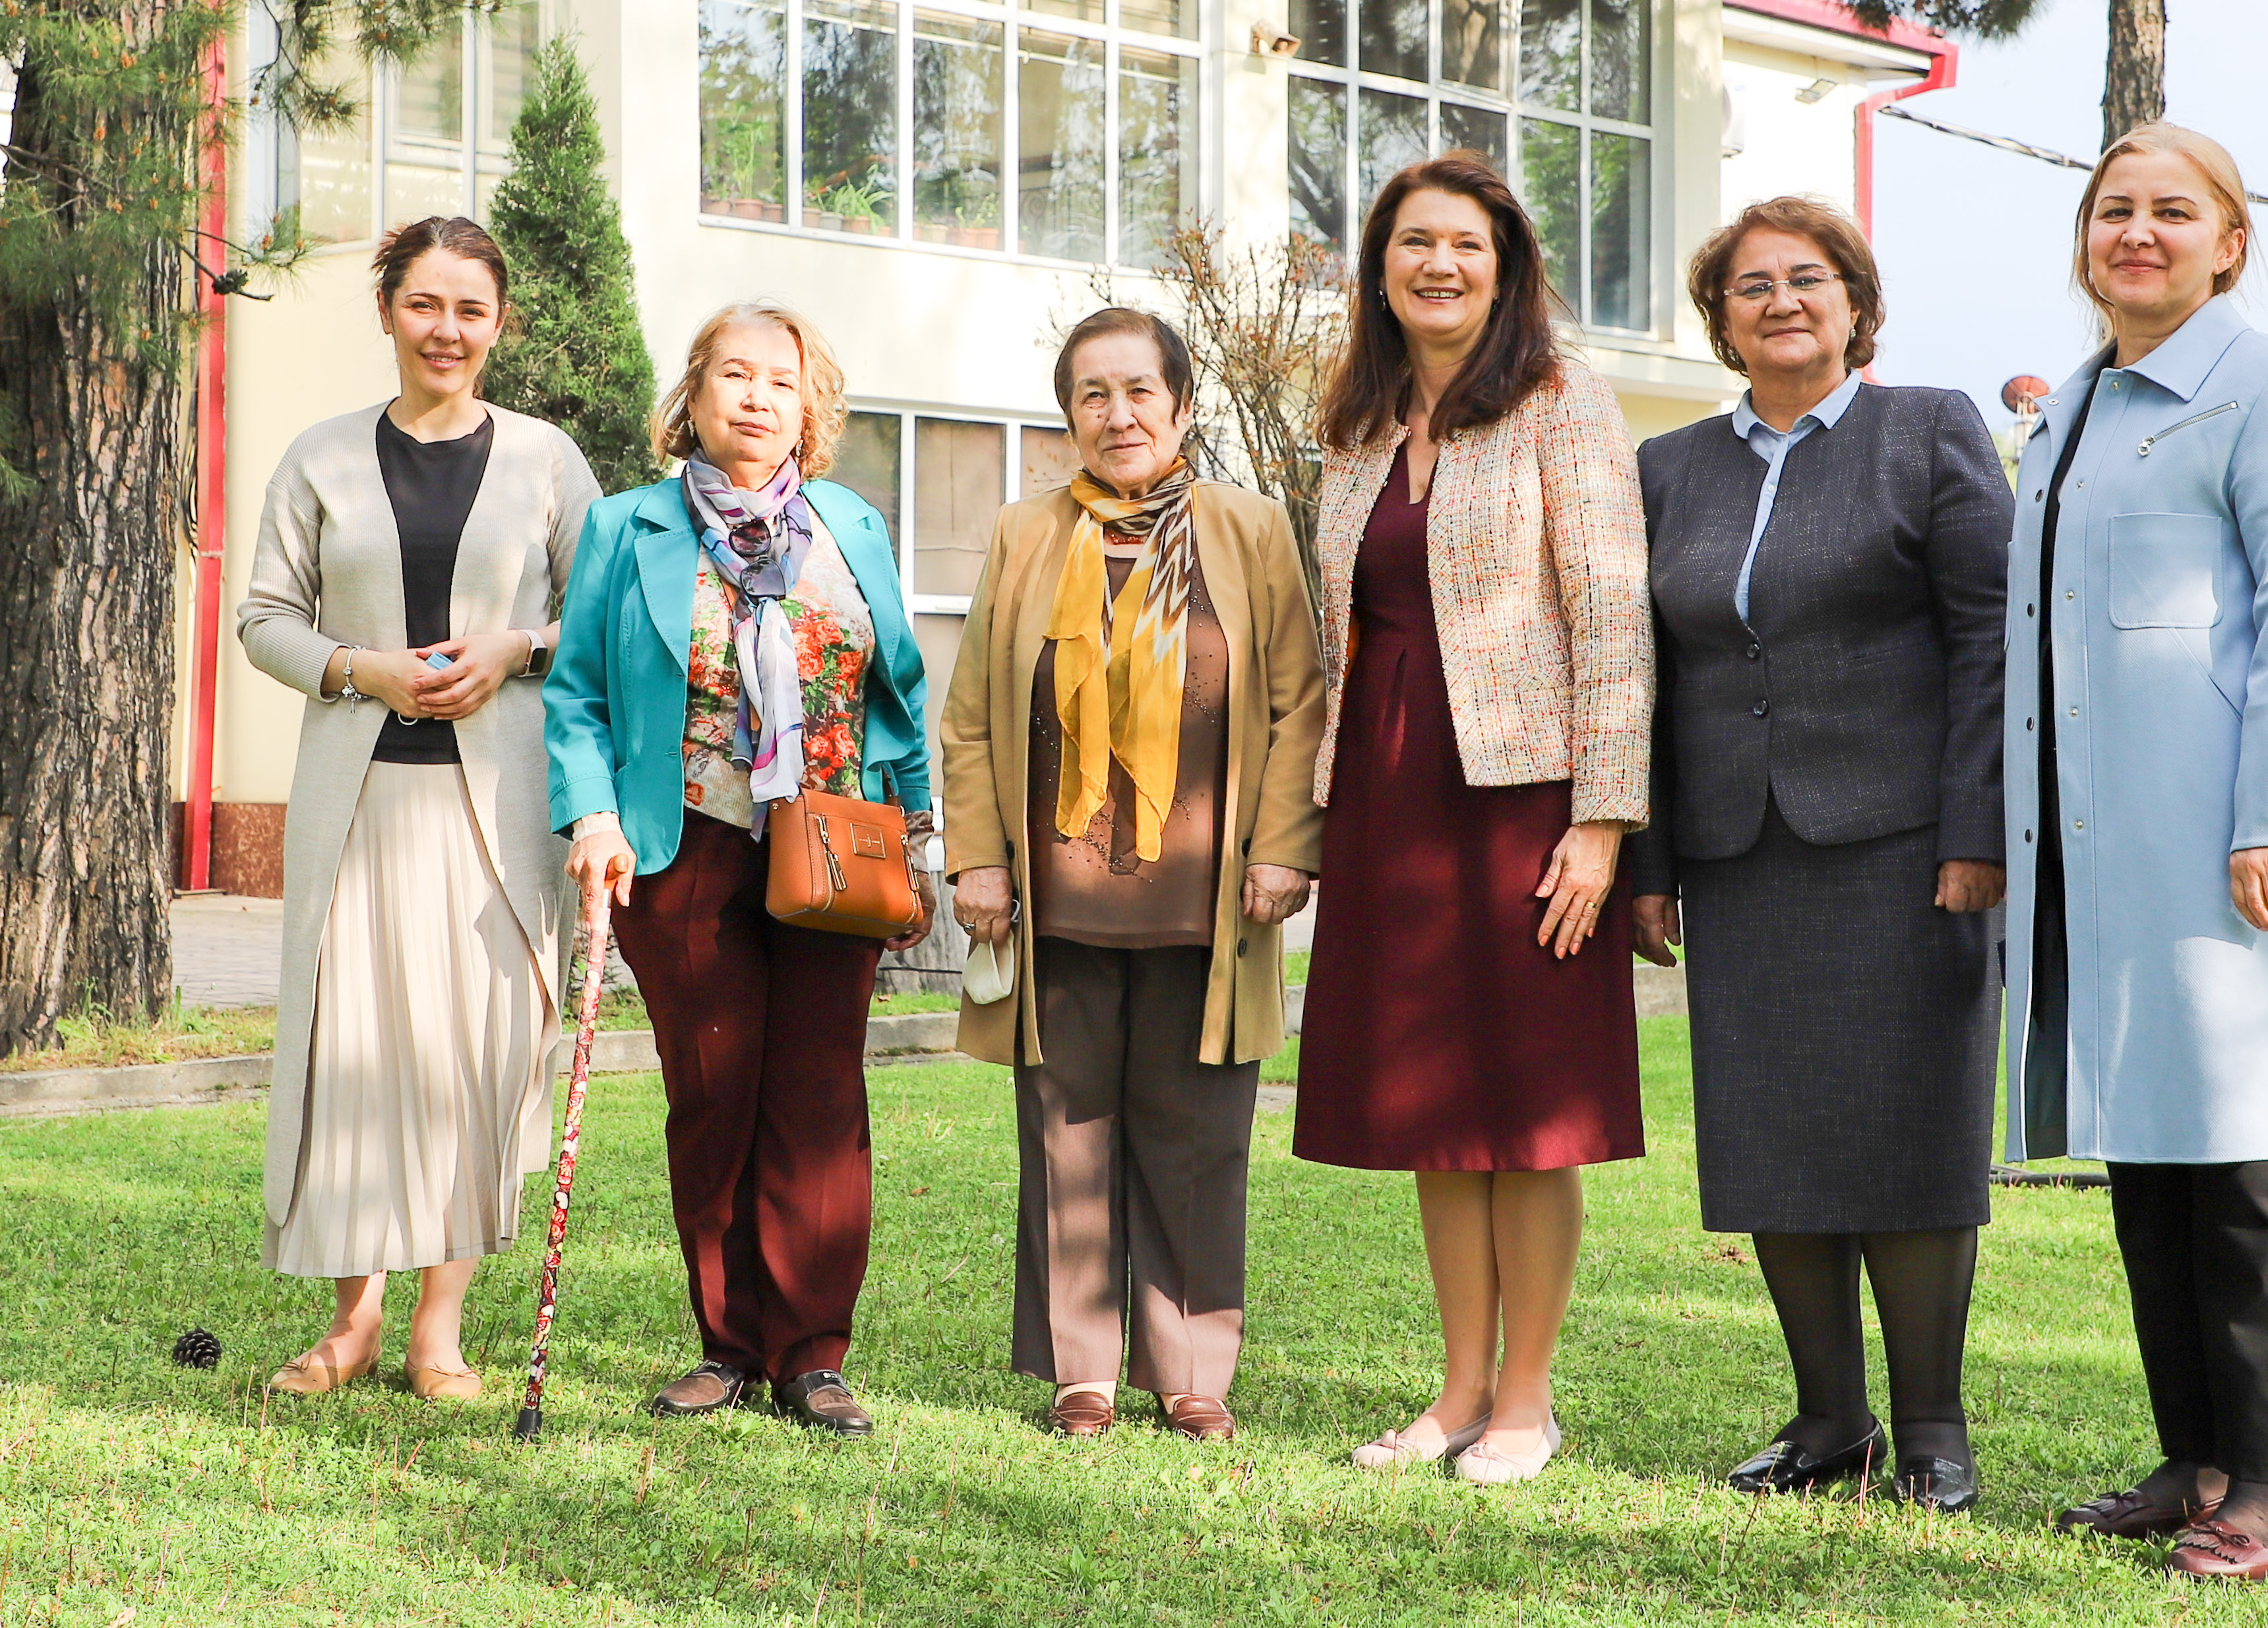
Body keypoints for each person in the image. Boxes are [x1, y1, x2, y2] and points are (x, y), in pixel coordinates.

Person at [2004, 122, 2268, 1582]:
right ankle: (2196, 1457)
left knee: (2250, 1151)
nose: (2138, 233)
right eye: (2114, 210)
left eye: (2173, 211)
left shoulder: (2263, 387)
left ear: (2229, 244)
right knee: (2150, 1151)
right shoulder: (2072, 410)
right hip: (2097, 848)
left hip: (2228, 840)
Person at [1628, 196, 2011, 1511]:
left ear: (1857, 304)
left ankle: (1935, 1430)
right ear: (1720, 320)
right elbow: (1646, 673)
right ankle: (1828, 1421)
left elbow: (1989, 641)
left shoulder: (1929, 430)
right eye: (1751, 286)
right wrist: (1653, 861)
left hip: (1907, 851)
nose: (1781, 300)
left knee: (1910, 1132)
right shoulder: (1669, 467)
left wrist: (1976, 829)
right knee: (1772, 1135)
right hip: (1740, 853)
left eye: (1808, 279)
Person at [1291, 151, 1653, 1488]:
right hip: (1388, 801)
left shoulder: (1563, 400)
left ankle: (1527, 1401)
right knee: (1434, 1108)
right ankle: (1457, 1391)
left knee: (1528, 1107)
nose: (1437, 265)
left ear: (1505, 272)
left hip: (1525, 800)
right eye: (1413, 243)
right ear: (1379, 268)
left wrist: (1602, 820)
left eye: (1465, 246)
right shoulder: (1357, 423)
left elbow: (1613, 616)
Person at [544, 297, 935, 1431]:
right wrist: (593, 817)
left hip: (835, 842)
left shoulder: (851, 524)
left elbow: (898, 688)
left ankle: (812, 1356)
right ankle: (727, 1348)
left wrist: (917, 829)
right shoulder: (626, 527)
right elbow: (577, 694)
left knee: (820, 1096)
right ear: (695, 391)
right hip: (686, 843)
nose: (757, 397)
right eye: (735, 374)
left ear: (809, 405)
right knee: (712, 1095)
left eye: (780, 379)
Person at [938, 308, 1328, 1443]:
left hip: (1208, 896)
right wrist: (977, 857)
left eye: (1139, 391)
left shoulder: (1248, 529)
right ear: (1068, 415)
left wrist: (1282, 844)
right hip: (1056, 894)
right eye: (1092, 395)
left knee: (1197, 1135)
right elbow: (973, 715)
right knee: (1065, 1134)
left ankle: (1192, 1370)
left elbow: (1297, 701)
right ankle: (1083, 1372)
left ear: (1182, 406)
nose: (1118, 415)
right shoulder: (1025, 533)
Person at [234, 215, 605, 1400]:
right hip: (359, 810)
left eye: (470, 309)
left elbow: (602, 621)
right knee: (358, 1053)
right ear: (389, 310)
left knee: (475, 1053)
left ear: (499, 324)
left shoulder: (548, 461)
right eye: (424, 304)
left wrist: (516, 648)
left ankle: (438, 1331)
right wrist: (363, 670)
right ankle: (352, 1323)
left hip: (499, 814)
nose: (447, 329)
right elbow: (265, 619)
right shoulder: (320, 458)